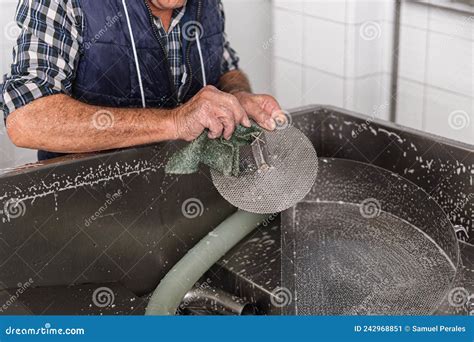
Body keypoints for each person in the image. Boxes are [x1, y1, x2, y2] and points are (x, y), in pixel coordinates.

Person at [1, 0, 282, 160]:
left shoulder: (207, 4)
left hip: (189, 201)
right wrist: (175, 122)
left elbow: (225, 68)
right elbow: (26, 119)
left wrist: (238, 96)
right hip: (88, 212)